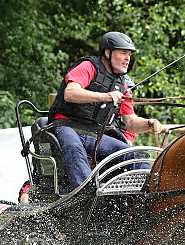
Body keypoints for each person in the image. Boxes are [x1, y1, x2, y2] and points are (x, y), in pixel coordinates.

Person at [48, 32, 161, 190]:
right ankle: (86, 193)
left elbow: (131, 122)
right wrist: (106, 96)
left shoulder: (122, 85)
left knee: (133, 155)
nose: (127, 58)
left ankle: (151, 190)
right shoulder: (88, 67)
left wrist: (149, 123)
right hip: (67, 127)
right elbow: (70, 93)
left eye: (129, 54)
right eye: (123, 53)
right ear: (108, 53)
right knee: (73, 147)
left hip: (95, 136)